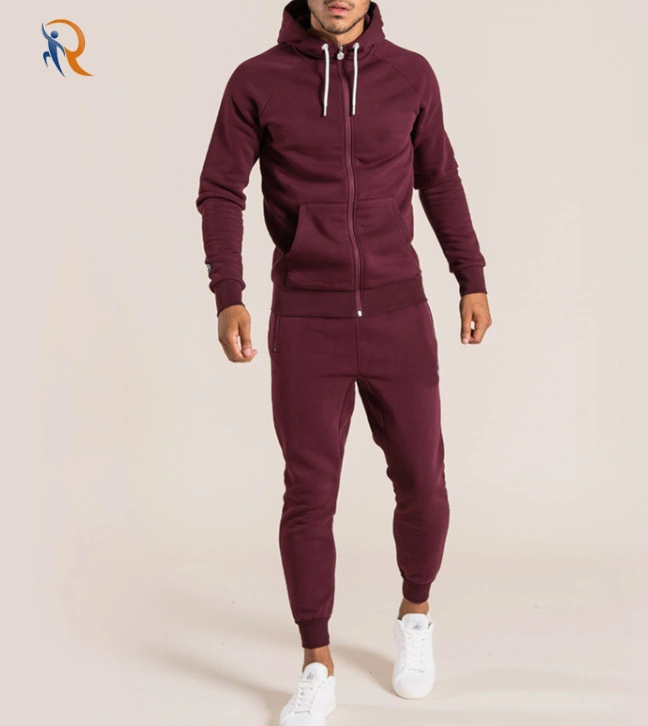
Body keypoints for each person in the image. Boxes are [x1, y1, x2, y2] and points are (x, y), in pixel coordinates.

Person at [195, 1, 492, 723]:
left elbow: (440, 180)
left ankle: (415, 615)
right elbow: (221, 190)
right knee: (309, 494)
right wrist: (228, 294)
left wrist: (471, 276)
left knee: (423, 482)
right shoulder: (257, 81)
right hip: (307, 318)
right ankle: (316, 661)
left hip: (398, 314)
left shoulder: (411, 76)